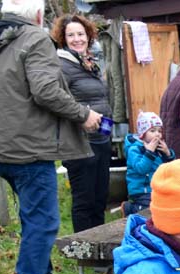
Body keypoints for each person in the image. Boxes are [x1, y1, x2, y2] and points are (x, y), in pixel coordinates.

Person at [0, 0, 102, 274]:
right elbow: (46, 91)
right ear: (36, 14)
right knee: (44, 220)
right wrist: (83, 114)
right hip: (27, 148)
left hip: (0, 146)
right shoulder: (34, 38)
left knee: (33, 216)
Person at [52, 14, 113, 234]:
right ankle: (84, 250)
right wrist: (84, 116)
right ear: (63, 38)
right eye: (71, 35)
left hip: (101, 138)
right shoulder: (61, 65)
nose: (77, 39)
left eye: (80, 34)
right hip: (79, 143)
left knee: (100, 197)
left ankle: (100, 247)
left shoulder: (89, 63)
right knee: (84, 200)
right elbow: (60, 101)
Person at [123, 111, 174, 215]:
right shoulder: (134, 149)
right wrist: (149, 152)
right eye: (152, 130)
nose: (157, 134)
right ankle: (130, 208)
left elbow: (170, 168)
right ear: (142, 133)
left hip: (157, 187)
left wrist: (168, 154)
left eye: (159, 131)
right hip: (141, 190)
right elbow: (141, 169)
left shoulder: (158, 148)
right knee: (147, 210)